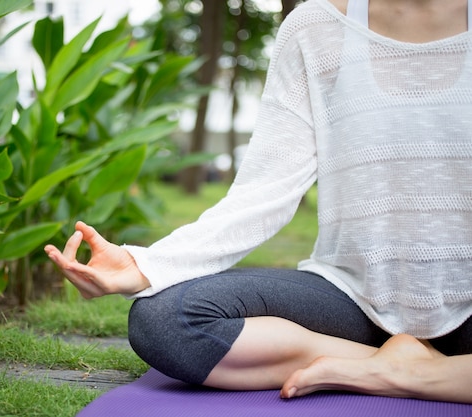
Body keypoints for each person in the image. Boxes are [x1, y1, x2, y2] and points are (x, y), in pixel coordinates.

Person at [45, 0, 472, 403]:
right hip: (353, 298)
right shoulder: (315, 27)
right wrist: (145, 266)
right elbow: (265, 191)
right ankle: (415, 366)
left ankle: (408, 373)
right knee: (165, 320)